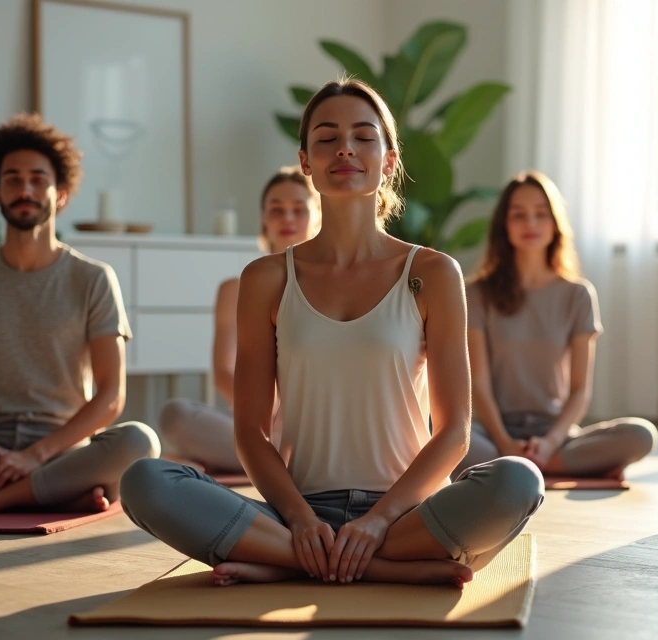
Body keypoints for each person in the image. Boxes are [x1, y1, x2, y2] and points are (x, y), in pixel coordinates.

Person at [119, 78, 544, 589]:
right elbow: (251, 431)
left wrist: (379, 520)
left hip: (405, 511)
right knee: (145, 480)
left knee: (519, 479)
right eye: (327, 138)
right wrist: (299, 520)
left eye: (364, 137)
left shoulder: (433, 272)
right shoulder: (266, 278)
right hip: (298, 516)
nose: (345, 147)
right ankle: (380, 567)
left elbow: (454, 431)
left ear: (388, 161)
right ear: (305, 161)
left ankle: (287, 563)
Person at [0, 113, 159, 515]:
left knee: (139, 440)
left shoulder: (94, 278)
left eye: (38, 179)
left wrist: (34, 456)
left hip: (60, 450)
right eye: (12, 178)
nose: (25, 189)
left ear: (60, 192)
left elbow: (111, 395)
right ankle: (50, 494)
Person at [454, 171, 656, 479]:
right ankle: (546, 467)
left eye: (540, 214)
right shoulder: (477, 293)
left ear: (555, 224)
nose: (530, 224)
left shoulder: (578, 294)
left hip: (555, 434)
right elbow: (478, 384)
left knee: (641, 434)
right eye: (518, 215)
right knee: (430, 432)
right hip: (493, 434)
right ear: (503, 226)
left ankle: (520, 469)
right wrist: (505, 442)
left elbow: (579, 390)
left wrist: (549, 443)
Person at [158, 167, 321, 473]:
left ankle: (262, 463)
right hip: (255, 429)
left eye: (299, 210)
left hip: (315, 432)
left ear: (316, 217)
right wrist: (266, 412)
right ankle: (268, 461)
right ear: (263, 217)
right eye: (277, 209)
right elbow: (223, 370)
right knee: (175, 415)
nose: (287, 218)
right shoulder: (235, 288)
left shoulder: (331, 286)